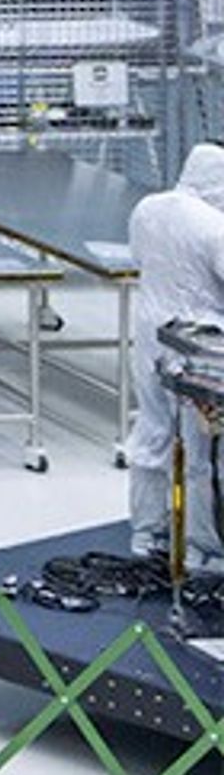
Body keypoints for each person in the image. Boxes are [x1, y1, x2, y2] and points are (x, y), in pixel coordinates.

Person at [121, 143, 224, 567]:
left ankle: (148, 533)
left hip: (148, 334)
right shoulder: (214, 225)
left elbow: (140, 258)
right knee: (200, 450)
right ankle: (203, 548)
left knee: (152, 432)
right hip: (200, 348)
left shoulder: (148, 208)